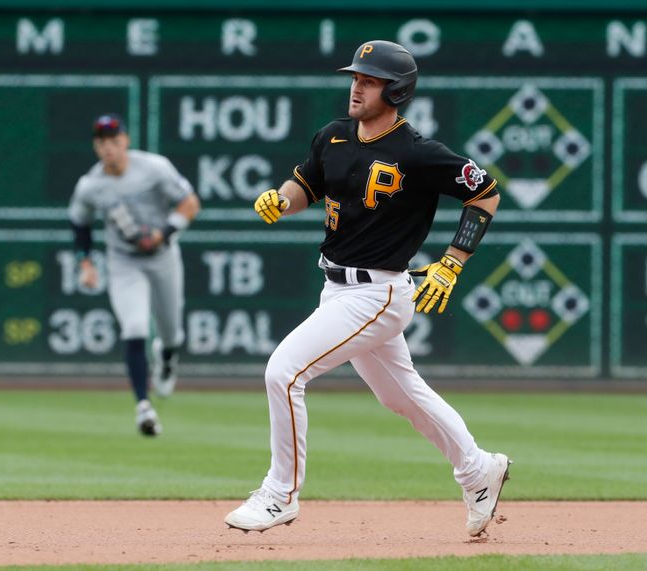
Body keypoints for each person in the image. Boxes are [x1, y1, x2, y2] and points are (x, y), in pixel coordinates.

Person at [224, 40, 510, 536]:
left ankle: (279, 495)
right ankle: (478, 468)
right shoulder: (333, 136)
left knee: (284, 372)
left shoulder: (418, 153)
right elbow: (305, 186)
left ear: (396, 90)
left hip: (377, 293)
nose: (356, 86)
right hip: (336, 288)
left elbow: (486, 192)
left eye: (369, 80)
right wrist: (280, 199)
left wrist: (453, 261)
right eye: (355, 77)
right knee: (402, 396)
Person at [69, 113, 200, 436]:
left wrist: (164, 232)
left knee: (170, 332)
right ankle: (143, 406)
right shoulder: (90, 185)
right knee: (135, 326)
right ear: (96, 147)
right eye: (101, 142)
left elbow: (190, 203)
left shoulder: (154, 168)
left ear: (125, 141)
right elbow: (80, 222)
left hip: (162, 256)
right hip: (124, 261)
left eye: (114, 140)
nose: (108, 148)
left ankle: (167, 356)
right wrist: (85, 263)